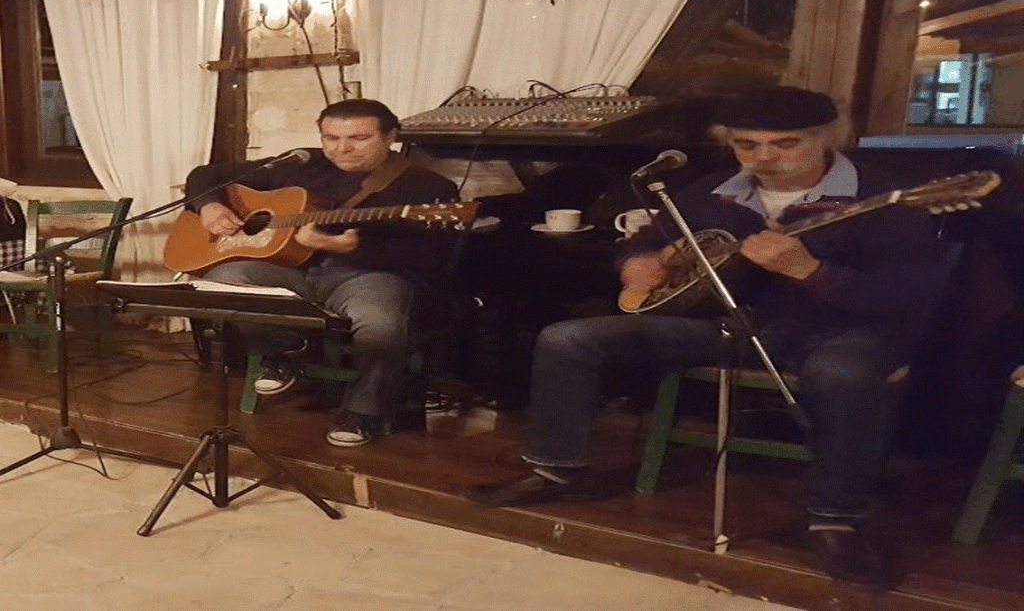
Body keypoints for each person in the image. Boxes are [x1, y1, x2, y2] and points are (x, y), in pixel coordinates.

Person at [465, 87, 944, 588]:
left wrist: (811, 271)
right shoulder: (715, 190)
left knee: (843, 371)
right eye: (747, 145)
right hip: (726, 325)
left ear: (828, 137)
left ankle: (835, 519)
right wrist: (637, 263)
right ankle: (557, 470)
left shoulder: (885, 199)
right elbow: (652, 241)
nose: (764, 157)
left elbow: (904, 297)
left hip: (838, 331)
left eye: (785, 144)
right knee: (569, 339)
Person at [184, 99, 459, 447]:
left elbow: (430, 257)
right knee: (222, 281)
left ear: (391, 136)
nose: (341, 148)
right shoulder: (302, 165)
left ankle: (364, 411)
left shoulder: (429, 188)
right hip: (291, 270)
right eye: (331, 138)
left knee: (381, 325)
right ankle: (284, 351)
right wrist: (208, 205)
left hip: (367, 276)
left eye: (359, 138)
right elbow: (206, 175)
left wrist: (347, 247)